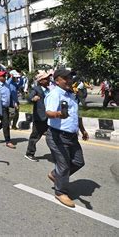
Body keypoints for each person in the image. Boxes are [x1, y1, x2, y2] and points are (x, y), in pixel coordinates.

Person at [45, 69, 89, 208]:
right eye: (66, 78)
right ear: (57, 80)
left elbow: (76, 114)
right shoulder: (55, 94)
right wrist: (59, 114)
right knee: (63, 166)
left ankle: (55, 175)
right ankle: (60, 192)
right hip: (57, 135)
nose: (69, 80)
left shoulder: (71, 95)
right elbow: (48, 112)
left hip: (72, 135)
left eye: (70, 77)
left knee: (78, 161)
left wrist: (82, 129)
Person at [25, 70, 51, 162]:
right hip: (40, 117)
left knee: (53, 136)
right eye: (46, 79)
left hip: (49, 117)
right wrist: (33, 98)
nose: (48, 80)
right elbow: (28, 97)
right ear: (40, 81)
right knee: (35, 136)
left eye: (48, 78)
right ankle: (29, 153)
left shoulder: (49, 90)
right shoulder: (36, 89)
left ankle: (58, 153)